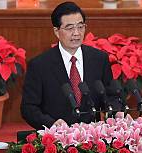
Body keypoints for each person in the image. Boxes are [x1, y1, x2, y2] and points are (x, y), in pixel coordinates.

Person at [21, 1, 116, 130]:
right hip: (56, 140)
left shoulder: (99, 59)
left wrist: (117, 112)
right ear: (56, 31)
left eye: (80, 26)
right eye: (70, 28)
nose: (76, 33)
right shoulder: (39, 65)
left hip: (92, 138)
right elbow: (28, 108)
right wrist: (51, 124)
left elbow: (110, 96)